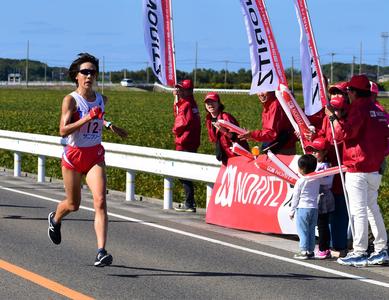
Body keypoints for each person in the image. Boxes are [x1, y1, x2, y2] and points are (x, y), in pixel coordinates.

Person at [47, 53, 128, 267]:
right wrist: (87, 118)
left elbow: (98, 115)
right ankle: (55, 219)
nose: (89, 75)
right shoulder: (70, 100)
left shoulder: (102, 98)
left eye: (93, 72)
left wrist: (110, 125)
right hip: (74, 157)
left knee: (100, 201)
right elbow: (63, 130)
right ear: (76, 76)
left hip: (94, 155)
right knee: (73, 205)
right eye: (85, 72)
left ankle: (101, 251)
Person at [326, 74, 389, 267]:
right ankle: (381, 249)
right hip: (374, 167)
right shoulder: (378, 110)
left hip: (357, 165)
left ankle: (360, 251)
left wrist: (334, 119)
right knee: (372, 209)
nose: (347, 95)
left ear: (353, 92)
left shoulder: (358, 108)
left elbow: (345, 133)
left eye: (348, 91)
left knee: (359, 210)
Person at [172, 79, 201, 213]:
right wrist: (176, 98)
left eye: (182, 89)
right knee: (185, 172)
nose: (179, 91)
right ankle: (190, 202)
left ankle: (189, 203)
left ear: (189, 91)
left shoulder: (187, 105)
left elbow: (181, 122)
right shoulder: (192, 103)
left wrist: (175, 130)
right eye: (179, 89)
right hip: (191, 142)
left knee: (182, 172)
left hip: (184, 142)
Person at [305, 138, 334, 259]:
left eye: (317, 151)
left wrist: (314, 177)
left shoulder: (327, 166)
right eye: (312, 151)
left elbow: (328, 181)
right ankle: (317, 245)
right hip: (315, 196)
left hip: (324, 197)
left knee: (322, 223)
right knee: (316, 223)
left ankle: (324, 248)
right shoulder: (314, 165)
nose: (314, 153)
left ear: (325, 152)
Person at [204, 92, 249, 165]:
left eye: (213, 101)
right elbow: (214, 139)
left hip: (235, 155)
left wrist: (225, 132)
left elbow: (237, 137)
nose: (210, 104)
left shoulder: (226, 117)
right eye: (208, 103)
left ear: (218, 103)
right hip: (224, 155)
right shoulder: (209, 119)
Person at [289, 154, 320, 260]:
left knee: (302, 230)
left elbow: (295, 197)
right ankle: (311, 251)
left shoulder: (300, 181)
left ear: (302, 169)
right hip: (314, 208)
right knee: (311, 230)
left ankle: (303, 251)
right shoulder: (317, 179)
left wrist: (292, 211)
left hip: (302, 208)